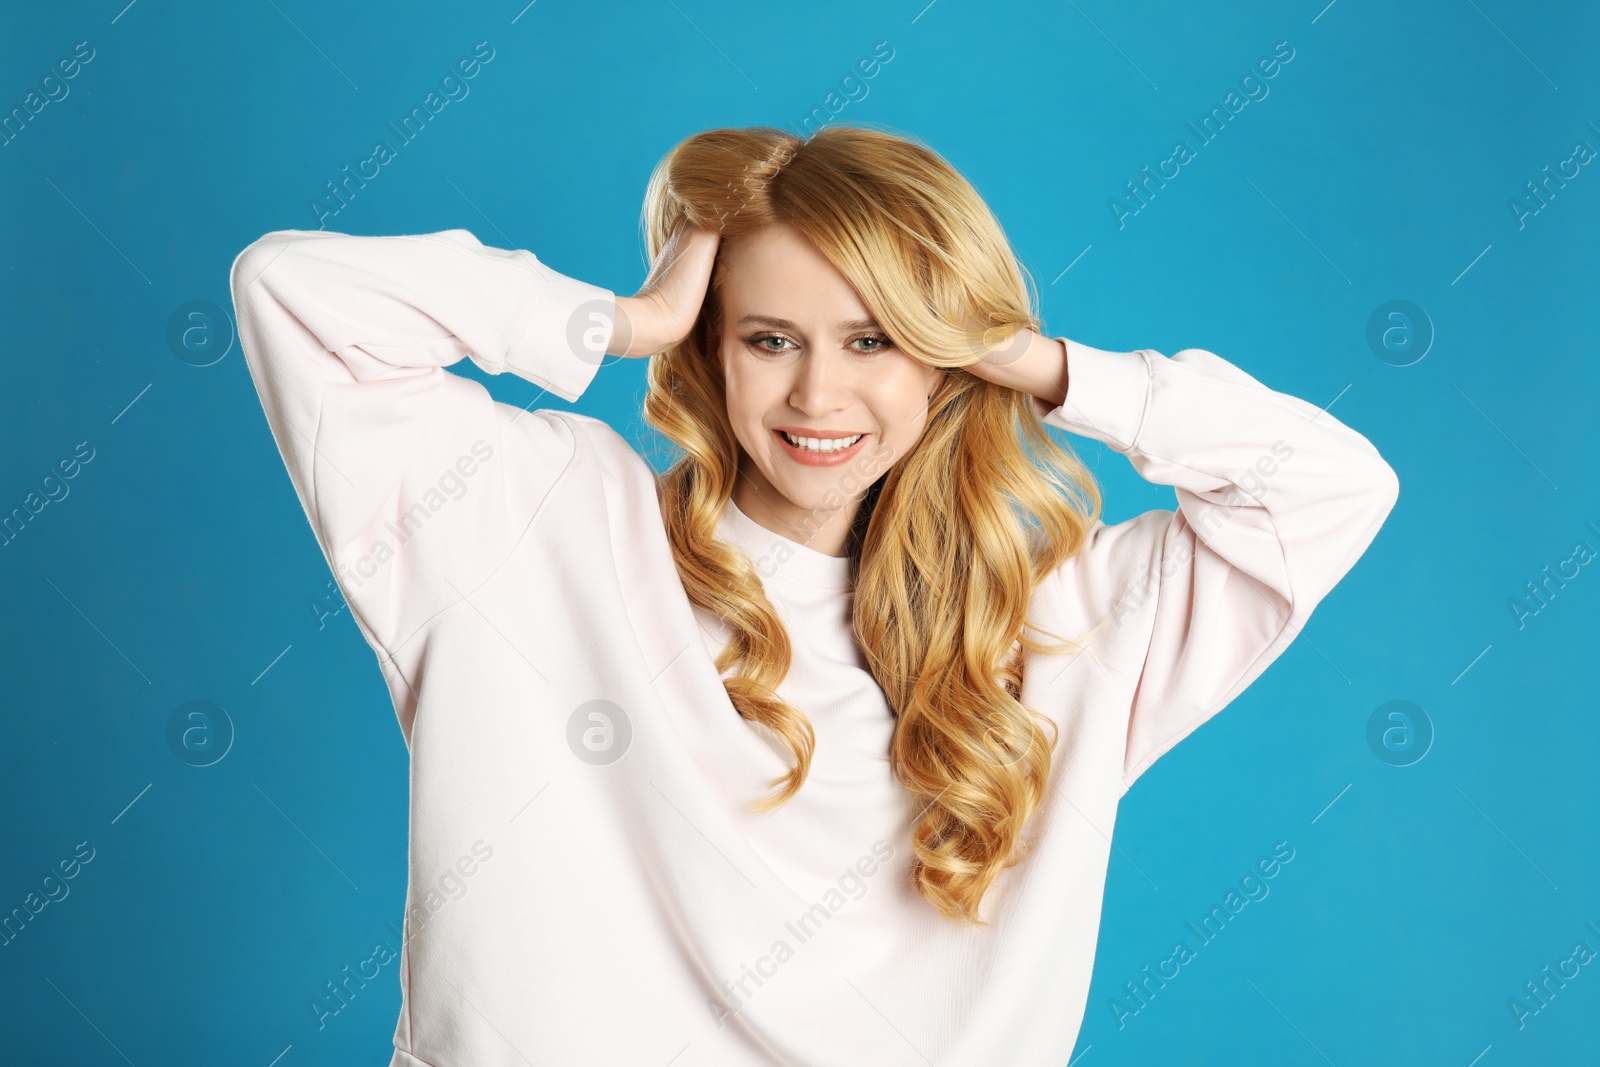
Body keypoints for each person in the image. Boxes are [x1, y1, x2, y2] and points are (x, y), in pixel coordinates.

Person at [229, 123, 1399, 1066]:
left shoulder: (1050, 623)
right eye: (772, 338)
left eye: (876, 340)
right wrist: (623, 319)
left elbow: (1333, 488)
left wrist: (1039, 364)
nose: (819, 396)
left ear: (944, 356)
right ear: (710, 347)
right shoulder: (539, 524)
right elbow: (293, 291)